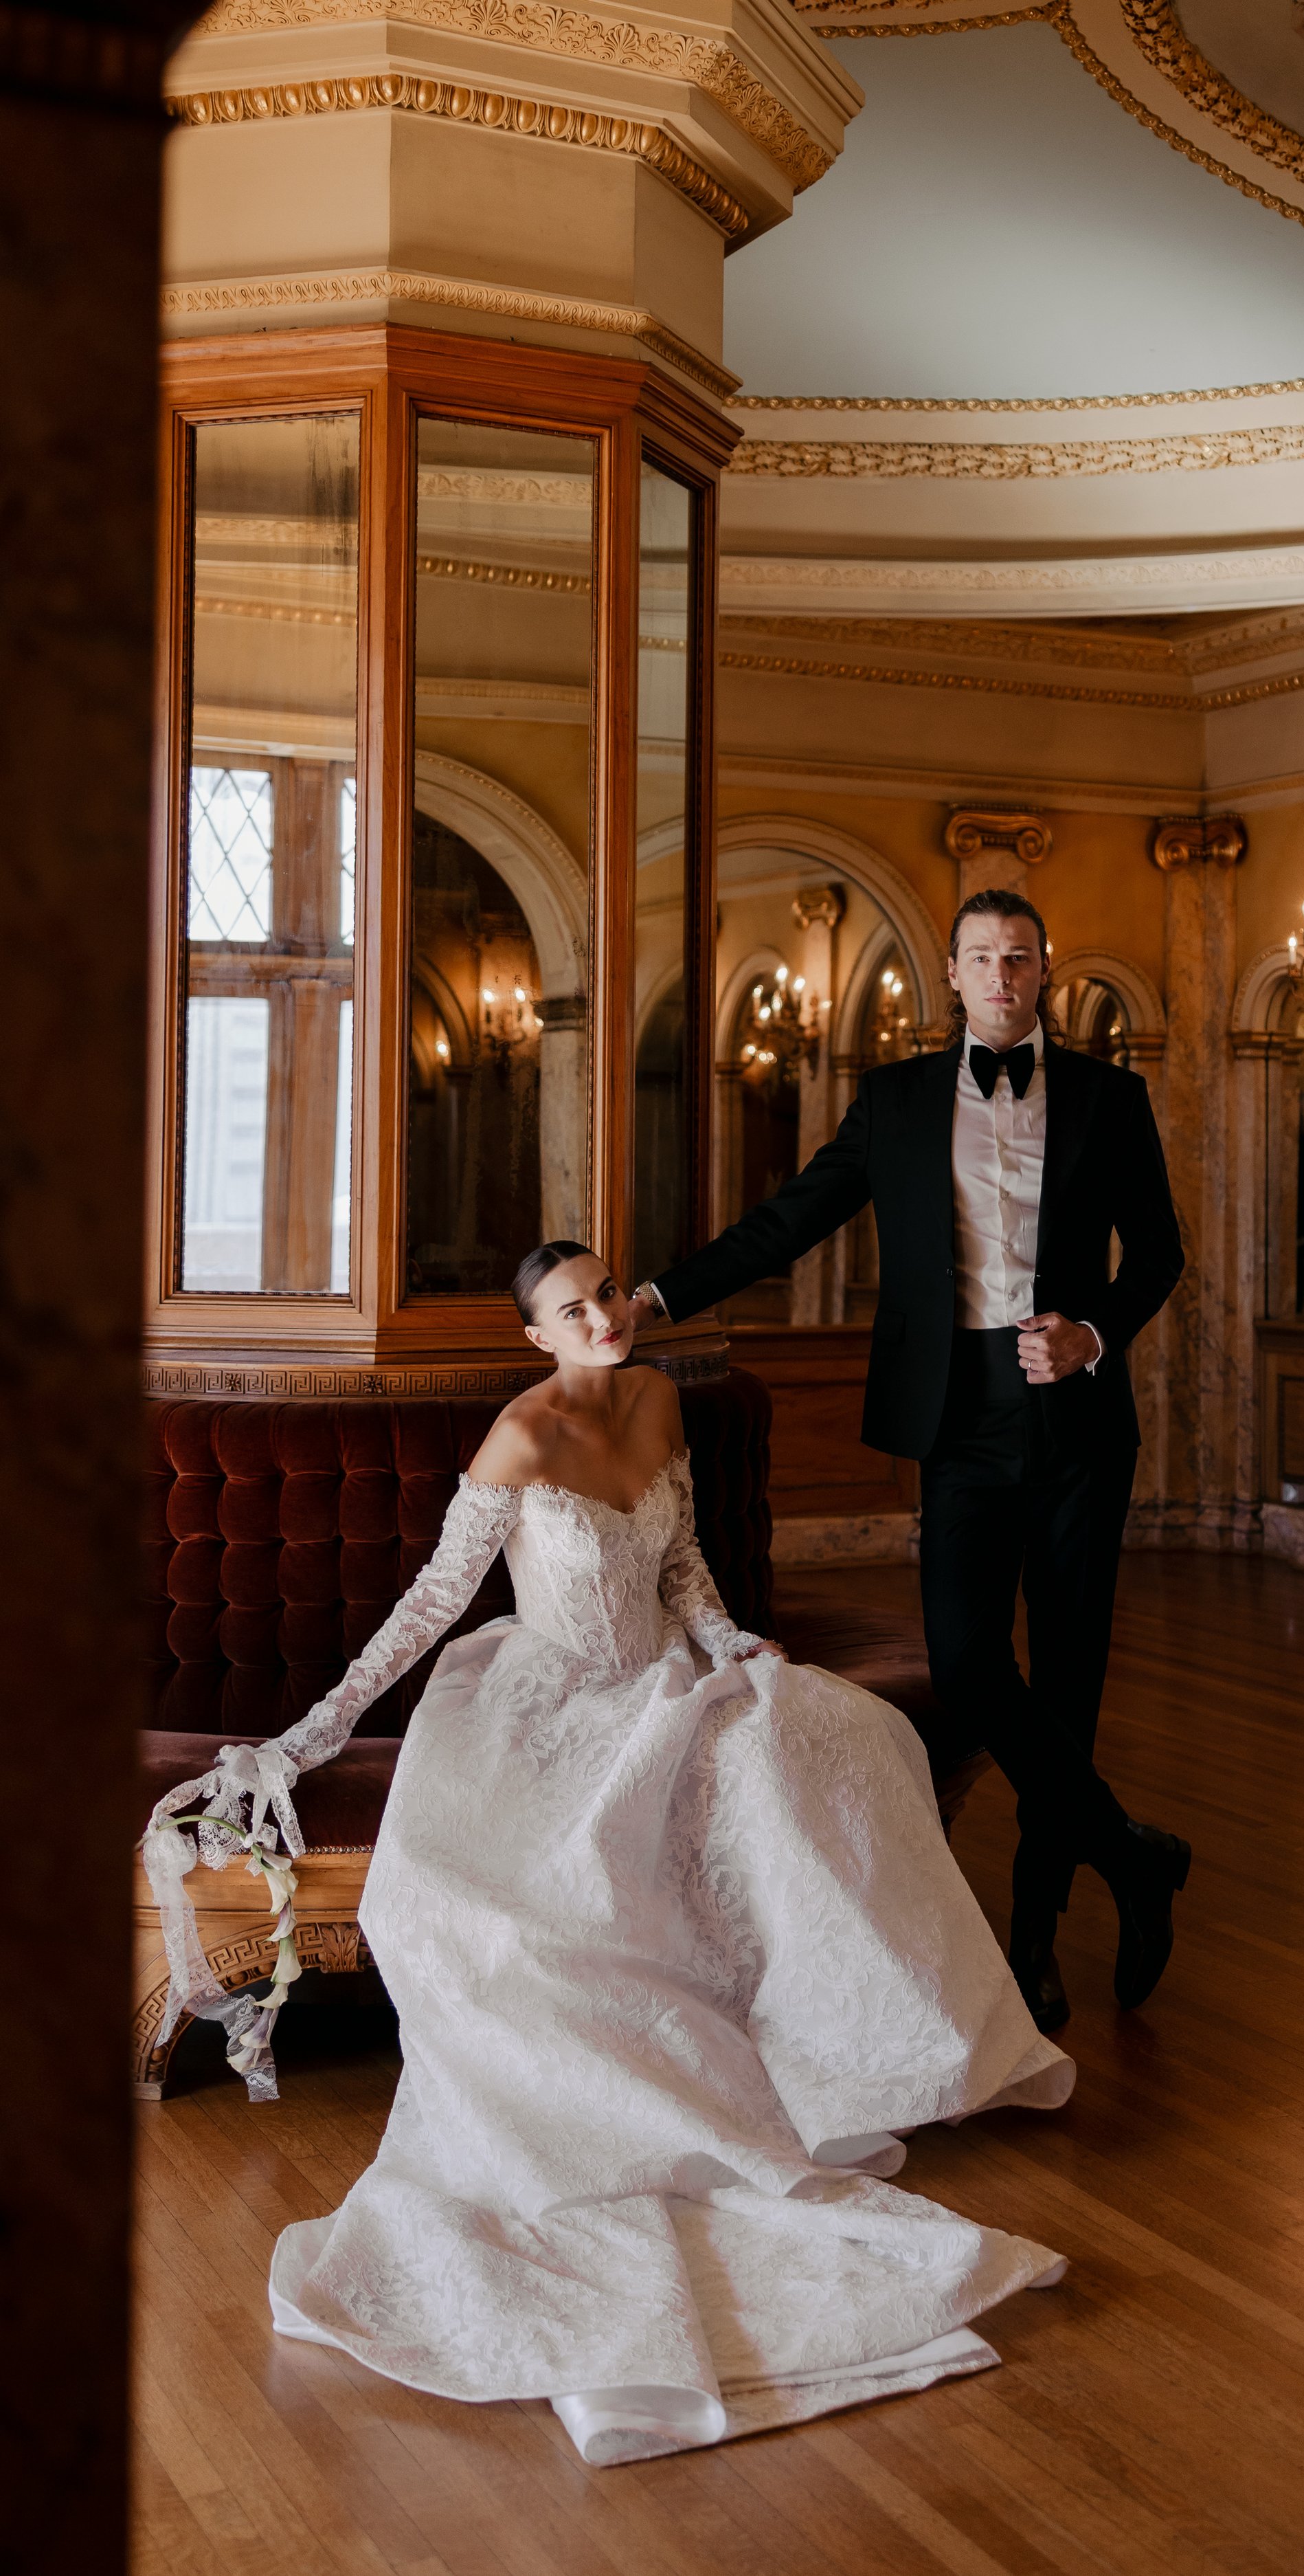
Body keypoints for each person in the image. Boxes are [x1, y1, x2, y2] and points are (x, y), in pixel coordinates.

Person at [142, 1243, 1072, 2467]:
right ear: (538, 1337)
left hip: (669, 1683)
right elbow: (432, 1603)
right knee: (525, 1919)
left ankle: (849, 2065)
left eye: (611, 1294)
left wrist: (733, 1643)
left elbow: (681, 1564)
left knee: (840, 1734)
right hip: (544, 1704)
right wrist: (311, 1737)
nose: (605, 1319)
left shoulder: (657, 1396)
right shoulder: (519, 1438)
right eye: (572, 1311)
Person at [633, 887, 1188, 2038]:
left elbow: (1162, 1255)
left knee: (1070, 1682)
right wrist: (660, 1296)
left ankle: (1034, 1949)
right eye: (982, 958)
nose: (1003, 976)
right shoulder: (891, 1103)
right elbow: (788, 1221)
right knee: (975, 1665)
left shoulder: (1110, 1097)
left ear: (1047, 971)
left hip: (1078, 1421)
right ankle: (1133, 1855)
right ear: (952, 973)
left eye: (1021, 958)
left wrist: (1095, 1333)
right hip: (961, 1421)